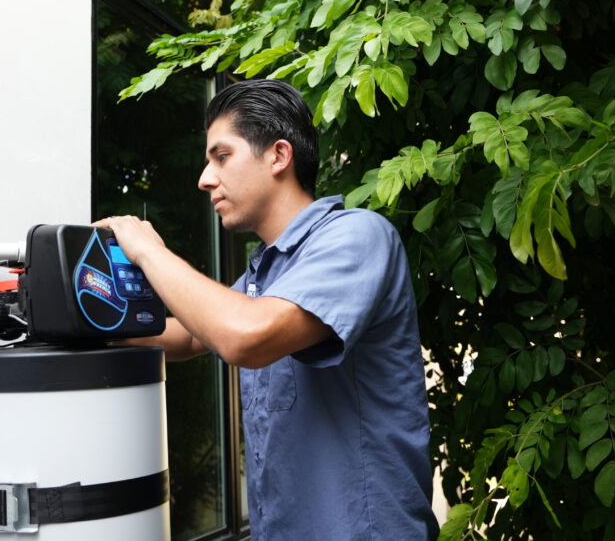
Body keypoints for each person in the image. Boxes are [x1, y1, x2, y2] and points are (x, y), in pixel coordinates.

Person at [96, 79, 437, 540]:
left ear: (278, 156)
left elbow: (244, 335)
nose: (204, 178)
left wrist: (147, 251)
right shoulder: (267, 275)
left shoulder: (358, 237)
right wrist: (83, 317)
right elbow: (190, 335)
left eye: (221, 156)